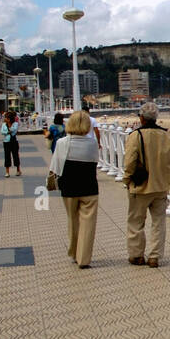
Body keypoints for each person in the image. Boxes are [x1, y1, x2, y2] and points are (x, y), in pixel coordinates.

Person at [123, 102, 170, 267]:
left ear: (141, 118)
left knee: (135, 222)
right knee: (158, 222)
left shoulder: (136, 135)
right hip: (160, 186)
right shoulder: (166, 135)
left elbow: (130, 162)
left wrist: (127, 179)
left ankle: (136, 255)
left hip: (140, 186)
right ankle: (154, 256)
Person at [49, 109, 99, 268]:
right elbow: (94, 162)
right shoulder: (92, 143)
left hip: (69, 187)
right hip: (89, 186)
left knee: (73, 220)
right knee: (88, 223)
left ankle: (74, 251)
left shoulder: (62, 143)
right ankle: (83, 258)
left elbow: (54, 166)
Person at [1, 109, 21, 176]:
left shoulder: (15, 124)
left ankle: (18, 170)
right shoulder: (4, 124)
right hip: (6, 142)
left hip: (14, 141)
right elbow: (2, 132)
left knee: (15, 155)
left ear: (9, 119)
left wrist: (9, 130)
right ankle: (7, 172)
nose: (5, 119)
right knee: (7, 156)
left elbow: (14, 130)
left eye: (6, 118)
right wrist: (7, 132)